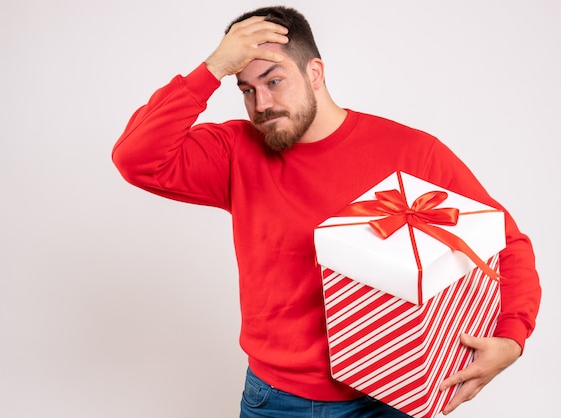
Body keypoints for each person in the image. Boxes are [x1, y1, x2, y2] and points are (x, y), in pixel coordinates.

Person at [112, 6, 541, 418]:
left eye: (273, 81)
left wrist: (512, 336)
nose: (261, 104)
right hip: (280, 400)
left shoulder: (410, 151)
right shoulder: (234, 152)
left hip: (396, 394)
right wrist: (211, 70)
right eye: (246, 89)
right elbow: (135, 157)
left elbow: (505, 240)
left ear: (314, 72)